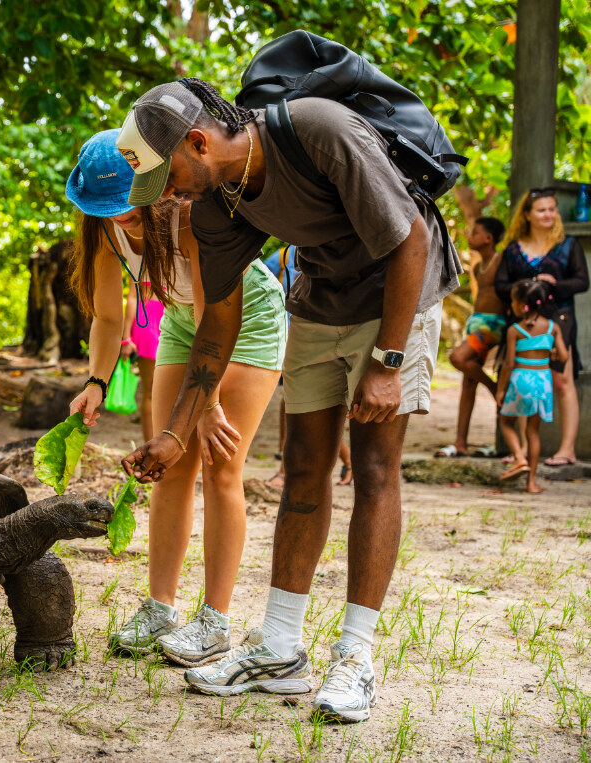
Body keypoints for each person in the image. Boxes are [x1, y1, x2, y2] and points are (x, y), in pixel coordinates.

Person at [115, 78, 461, 722]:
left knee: (374, 468)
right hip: (321, 299)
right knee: (303, 465)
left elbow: (411, 239)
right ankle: (279, 648)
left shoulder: (318, 129)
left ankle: (355, 657)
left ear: (198, 142)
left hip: (396, 297)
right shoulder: (216, 204)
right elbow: (217, 325)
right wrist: (175, 433)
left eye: (169, 177)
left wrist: (387, 363)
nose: (169, 195)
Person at [64, 129, 287, 667]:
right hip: (184, 322)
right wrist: (96, 382)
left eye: (127, 205)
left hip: (244, 320)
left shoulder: (188, 219)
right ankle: (160, 607)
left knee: (220, 464)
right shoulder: (105, 228)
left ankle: (214, 620)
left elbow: (218, 319)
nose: (121, 217)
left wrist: (206, 408)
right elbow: (109, 317)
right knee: (166, 464)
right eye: (107, 208)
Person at [495, 189, 589, 466]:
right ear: (527, 215)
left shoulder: (568, 244)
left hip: (560, 319)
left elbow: (582, 282)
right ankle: (524, 450)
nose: (549, 214)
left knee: (562, 380)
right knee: (525, 379)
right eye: (541, 210)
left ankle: (567, 449)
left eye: (552, 209)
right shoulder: (513, 249)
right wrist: (527, 286)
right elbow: (500, 286)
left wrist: (554, 284)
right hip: (524, 322)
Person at [264, 244, 352, 488]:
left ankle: (346, 461)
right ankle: (287, 469)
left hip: (333, 335)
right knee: (297, 402)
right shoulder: (283, 256)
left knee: (320, 405)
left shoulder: (339, 246)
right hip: (293, 337)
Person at [437, 216, 508, 457]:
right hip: (477, 323)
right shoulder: (478, 268)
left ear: (488, 238)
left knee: (458, 358)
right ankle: (460, 443)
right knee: (468, 381)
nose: (469, 236)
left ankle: (495, 388)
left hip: (493, 325)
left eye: (475, 232)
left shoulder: (502, 263)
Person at [497, 279, 569, 492]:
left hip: (521, 380)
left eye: (513, 301)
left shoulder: (515, 330)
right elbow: (564, 356)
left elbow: (509, 364)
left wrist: (500, 389)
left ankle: (520, 458)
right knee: (533, 431)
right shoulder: (553, 328)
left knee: (506, 422)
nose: (512, 305)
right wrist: (551, 352)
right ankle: (531, 483)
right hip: (543, 382)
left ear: (521, 305)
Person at [121, 260, 163, 443]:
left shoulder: (183, 249)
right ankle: (151, 447)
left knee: (175, 389)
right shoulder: (140, 256)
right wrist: (126, 338)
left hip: (176, 316)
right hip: (148, 318)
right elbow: (132, 296)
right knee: (151, 389)